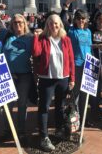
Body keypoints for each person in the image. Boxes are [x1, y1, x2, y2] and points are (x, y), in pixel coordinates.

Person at [0, 3, 34, 143]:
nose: (17, 24)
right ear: (11, 24)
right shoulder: (6, 35)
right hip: (7, 76)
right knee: (7, 107)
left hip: (24, 76)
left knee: (22, 105)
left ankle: (21, 133)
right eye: (14, 22)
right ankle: (8, 131)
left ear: (24, 23)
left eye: (20, 22)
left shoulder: (31, 38)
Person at [32, 14, 75, 152]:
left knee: (60, 106)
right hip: (47, 78)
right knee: (44, 107)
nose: (54, 26)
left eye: (56, 23)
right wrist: (35, 37)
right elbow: (35, 52)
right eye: (51, 23)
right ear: (47, 25)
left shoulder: (66, 39)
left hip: (63, 78)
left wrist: (72, 78)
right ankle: (44, 137)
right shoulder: (43, 38)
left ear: (60, 24)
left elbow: (71, 60)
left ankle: (59, 129)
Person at [67, 9, 93, 126]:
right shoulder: (71, 31)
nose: (81, 21)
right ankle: (76, 119)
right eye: (79, 18)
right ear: (75, 20)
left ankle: (84, 118)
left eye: (83, 18)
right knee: (75, 94)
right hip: (76, 65)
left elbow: (90, 47)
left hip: (87, 64)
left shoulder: (88, 31)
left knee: (85, 93)